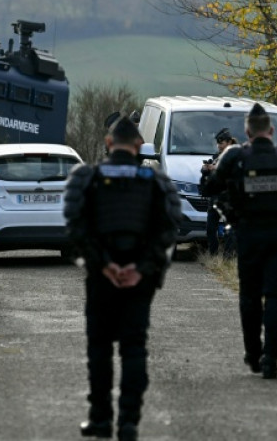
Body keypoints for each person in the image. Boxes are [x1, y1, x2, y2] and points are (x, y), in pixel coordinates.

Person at [64, 116, 182, 441]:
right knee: (134, 348)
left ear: (108, 143)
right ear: (139, 147)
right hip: (139, 279)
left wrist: (103, 265)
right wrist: (140, 269)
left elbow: (75, 226)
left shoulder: (87, 177)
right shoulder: (156, 181)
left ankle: (100, 420)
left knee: (99, 349)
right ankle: (129, 422)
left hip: (101, 277)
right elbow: (169, 229)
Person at [201, 103, 277, 379]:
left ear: (246, 131)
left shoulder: (234, 157)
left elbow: (210, 189)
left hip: (248, 234)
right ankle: (271, 361)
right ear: (272, 130)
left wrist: (210, 173)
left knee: (250, 295)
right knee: (276, 295)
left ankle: (254, 353)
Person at [200, 127, 238, 256]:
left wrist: (215, 168)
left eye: (221, 143)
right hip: (215, 197)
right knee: (210, 229)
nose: (218, 146)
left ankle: (228, 257)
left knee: (230, 229)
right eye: (217, 143)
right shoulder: (216, 156)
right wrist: (206, 168)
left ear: (228, 142)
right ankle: (213, 254)